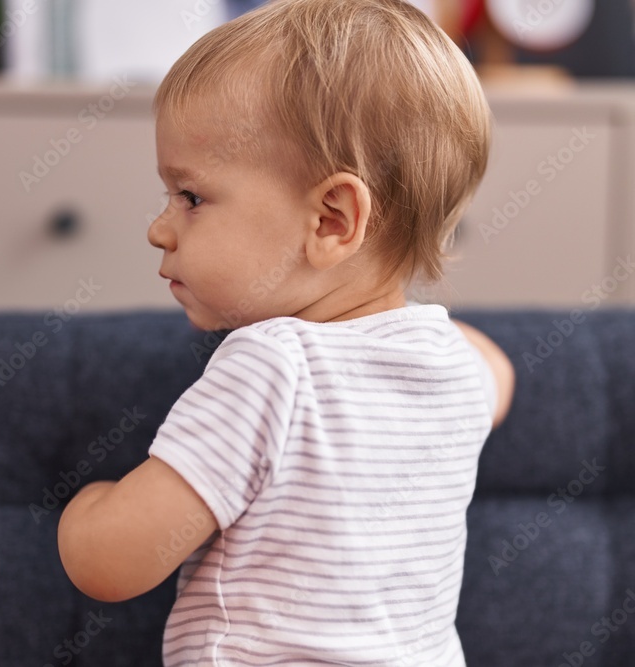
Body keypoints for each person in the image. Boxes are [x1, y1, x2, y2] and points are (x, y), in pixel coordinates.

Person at [58, 0, 516, 664]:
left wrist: (90, 505)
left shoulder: (272, 363)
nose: (160, 228)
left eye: (190, 197)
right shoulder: (452, 362)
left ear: (333, 219)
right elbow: (499, 373)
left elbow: (111, 562)